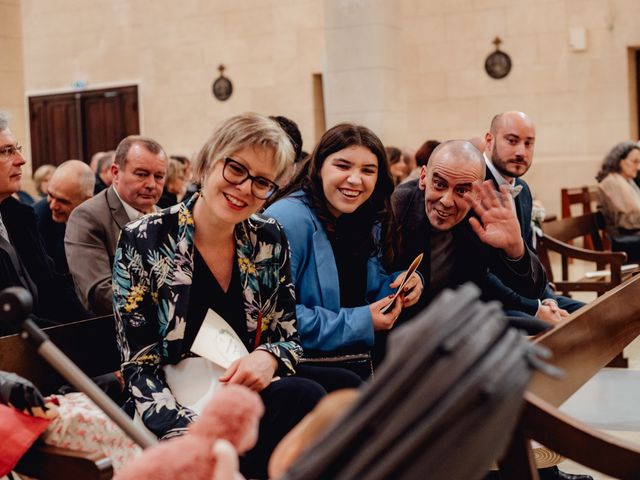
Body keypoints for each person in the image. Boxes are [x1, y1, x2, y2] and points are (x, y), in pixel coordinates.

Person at [113, 113, 325, 479]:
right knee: (303, 397)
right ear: (208, 162)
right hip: (174, 402)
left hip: (243, 396)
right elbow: (138, 363)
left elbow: (288, 337)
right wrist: (187, 431)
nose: (244, 188)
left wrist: (269, 358)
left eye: (262, 182)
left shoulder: (267, 237)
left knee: (331, 393)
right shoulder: (145, 238)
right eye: (235, 169)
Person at [264, 123, 423, 369]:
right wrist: (362, 322)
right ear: (319, 167)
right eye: (342, 165)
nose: (355, 179)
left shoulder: (364, 216)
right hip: (304, 362)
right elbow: (275, 318)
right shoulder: (287, 218)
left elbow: (364, 290)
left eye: (368, 170)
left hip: (354, 354)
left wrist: (401, 284)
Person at [392, 140, 548, 328]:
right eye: (439, 184)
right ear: (423, 177)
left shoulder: (482, 216)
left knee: (545, 330)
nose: (447, 201)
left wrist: (515, 248)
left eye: (462, 190)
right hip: (408, 325)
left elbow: (530, 291)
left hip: (461, 318)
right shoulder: (398, 208)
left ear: (478, 193)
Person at [483, 111, 584, 327]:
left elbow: (530, 254)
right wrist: (535, 308)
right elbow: (480, 272)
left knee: (595, 315)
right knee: (556, 329)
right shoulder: (474, 184)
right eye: (512, 141)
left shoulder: (524, 190)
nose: (521, 151)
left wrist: (546, 297)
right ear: (489, 140)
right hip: (489, 303)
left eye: (529, 144)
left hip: (526, 295)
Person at [0, 111, 89, 336]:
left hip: (43, 341)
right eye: (7, 151)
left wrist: (94, 330)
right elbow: (6, 318)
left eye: (16, 148)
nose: (21, 160)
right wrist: (71, 339)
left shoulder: (18, 215)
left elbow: (53, 286)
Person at [65, 135, 168, 315]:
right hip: (111, 334)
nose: (151, 184)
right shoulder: (87, 217)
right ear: (115, 173)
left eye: (159, 176)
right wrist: (168, 308)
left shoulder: (165, 218)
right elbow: (99, 292)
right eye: (141, 174)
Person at [33, 159, 95, 275]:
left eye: (62, 201)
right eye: (50, 195)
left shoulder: (100, 218)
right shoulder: (35, 220)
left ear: (86, 201)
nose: (52, 205)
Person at [596, 141, 640, 261]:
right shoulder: (612, 183)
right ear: (621, 162)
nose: (639, 167)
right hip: (624, 239)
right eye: (635, 162)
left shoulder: (628, 182)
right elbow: (625, 221)